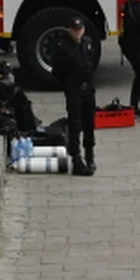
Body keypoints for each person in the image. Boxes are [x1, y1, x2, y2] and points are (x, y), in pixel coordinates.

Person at [51, 17, 98, 175]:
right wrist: (69, 84)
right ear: (69, 30)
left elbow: (90, 63)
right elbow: (57, 70)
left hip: (88, 88)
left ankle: (90, 155)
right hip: (74, 88)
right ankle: (76, 159)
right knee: (75, 123)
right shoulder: (62, 46)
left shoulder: (87, 43)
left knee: (89, 122)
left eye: (80, 29)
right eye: (74, 30)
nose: (78, 32)